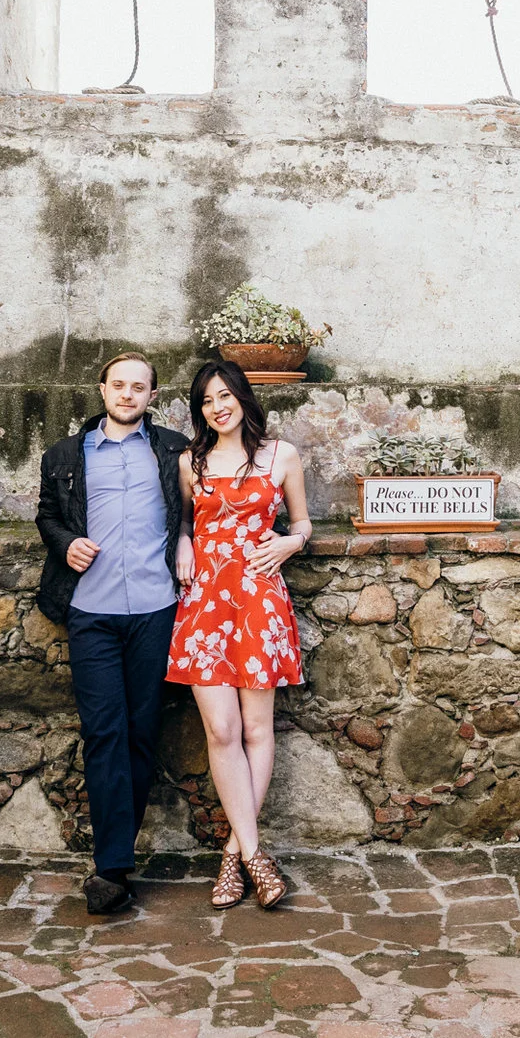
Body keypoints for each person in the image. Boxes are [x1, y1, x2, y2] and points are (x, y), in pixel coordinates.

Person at [35, 353, 193, 916]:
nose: (128, 394)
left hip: (155, 608)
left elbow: (201, 504)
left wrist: (185, 538)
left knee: (142, 730)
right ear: (102, 389)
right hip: (92, 611)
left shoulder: (173, 448)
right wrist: (64, 542)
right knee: (104, 731)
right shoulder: (65, 455)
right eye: (118, 385)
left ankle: (117, 853)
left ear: (152, 395)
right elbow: (47, 514)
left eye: (139, 387)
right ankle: (112, 867)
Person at [167, 360, 312, 911]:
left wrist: (288, 545)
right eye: (206, 401)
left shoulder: (281, 456)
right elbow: (184, 522)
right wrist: (183, 542)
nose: (217, 407)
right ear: (199, 410)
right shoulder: (190, 462)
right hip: (205, 603)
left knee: (256, 728)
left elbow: (302, 524)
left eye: (225, 395)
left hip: (258, 600)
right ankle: (255, 856)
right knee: (221, 729)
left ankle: (234, 855)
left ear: (243, 398)